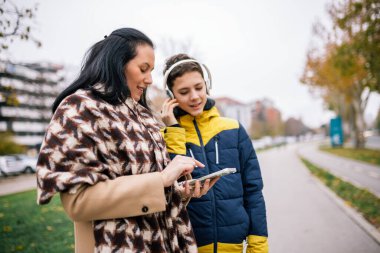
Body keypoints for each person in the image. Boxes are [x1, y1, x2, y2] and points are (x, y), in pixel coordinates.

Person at [36, 28, 216, 253]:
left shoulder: (143, 115)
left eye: (151, 70)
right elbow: (77, 202)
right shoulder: (80, 108)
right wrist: (161, 180)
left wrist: (177, 192)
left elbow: (149, 192)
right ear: (117, 64)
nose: (150, 80)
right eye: (143, 69)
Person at [160, 54, 269, 253]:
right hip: (190, 247)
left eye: (199, 87)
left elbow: (253, 191)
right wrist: (173, 131)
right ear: (171, 95)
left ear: (207, 85)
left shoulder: (234, 130)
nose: (194, 97)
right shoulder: (165, 136)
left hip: (235, 247)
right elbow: (172, 192)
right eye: (184, 92)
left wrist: (258, 246)